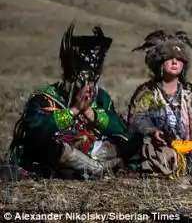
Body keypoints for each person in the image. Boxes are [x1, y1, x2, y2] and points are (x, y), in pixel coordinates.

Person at [9, 23, 128, 178]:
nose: (87, 86)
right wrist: (75, 110)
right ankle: (96, 169)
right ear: (70, 79)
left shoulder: (101, 98)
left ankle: (93, 167)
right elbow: (36, 129)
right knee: (44, 144)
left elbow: (119, 129)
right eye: (81, 81)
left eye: (92, 81)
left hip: (96, 152)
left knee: (131, 140)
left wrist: (91, 113)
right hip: (57, 155)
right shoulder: (44, 97)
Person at [127, 30, 192, 178]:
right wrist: (152, 132)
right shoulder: (148, 93)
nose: (174, 62)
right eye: (169, 58)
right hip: (164, 147)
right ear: (159, 62)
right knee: (157, 152)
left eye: (178, 59)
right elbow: (136, 119)